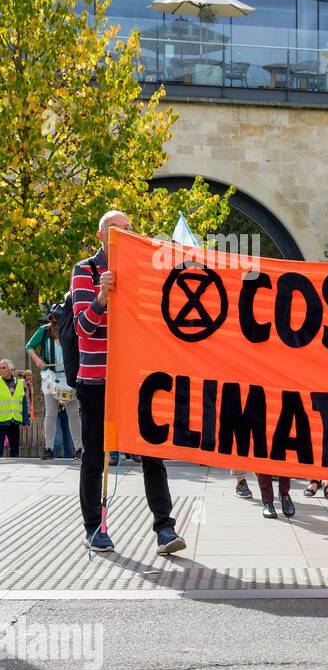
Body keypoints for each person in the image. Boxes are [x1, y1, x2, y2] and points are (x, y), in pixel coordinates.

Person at [75, 210, 185, 555]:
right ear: (101, 235)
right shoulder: (85, 271)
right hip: (97, 379)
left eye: (128, 228)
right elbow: (83, 328)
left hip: (137, 378)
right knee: (94, 456)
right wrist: (102, 297)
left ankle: (165, 528)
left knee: (152, 453)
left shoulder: (143, 270)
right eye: (116, 228)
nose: (124, 233)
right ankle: (95, 528)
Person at [26, 302, 82, 459]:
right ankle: (48, 448)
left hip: (70, 376)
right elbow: (29, 346)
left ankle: (79, 448)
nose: (56, 321)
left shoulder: (73, 329)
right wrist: (37, 360)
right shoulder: (44, 331)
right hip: (50, 376)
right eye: (54, 318)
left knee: (73, 413)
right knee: (50, 413)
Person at [0, 359, 25, 456]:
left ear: (10, 369)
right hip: (1, 421)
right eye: (0, 368)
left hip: (14, 421)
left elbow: (23, 403)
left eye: (4, 368)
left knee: (15, 450)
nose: (1, 370)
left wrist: (25, 419)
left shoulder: (20, 383)